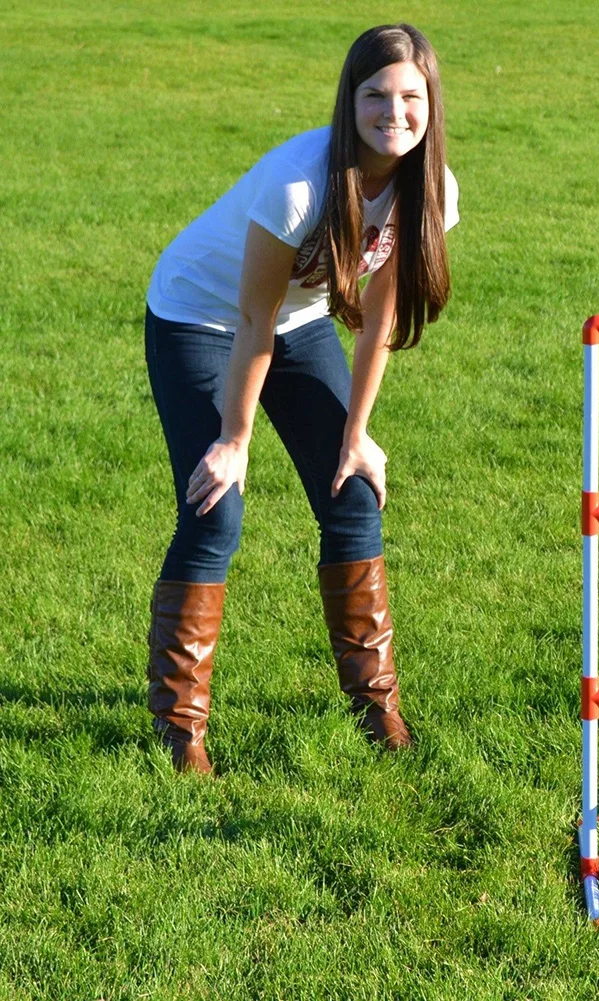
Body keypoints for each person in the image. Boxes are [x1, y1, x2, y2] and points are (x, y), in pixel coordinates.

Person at [144, 23, 458, 773]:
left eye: (410, 96)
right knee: (214, 505)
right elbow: (252, 318)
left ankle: (375, 708)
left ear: (431, 104)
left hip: (297, 319)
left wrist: (357, 431)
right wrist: (233, 437)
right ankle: (179, 729)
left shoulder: (431, 188)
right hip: (200, 315)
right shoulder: (299, 182)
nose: (394, 112)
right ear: (349, 100)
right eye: (375, 94)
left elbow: (382, 311)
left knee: (353, 493)